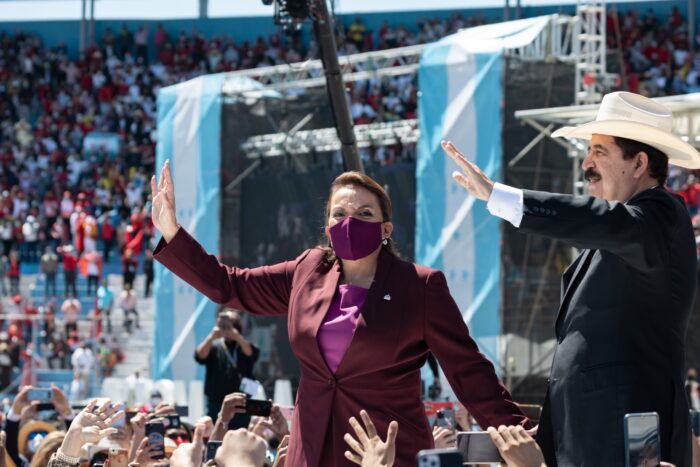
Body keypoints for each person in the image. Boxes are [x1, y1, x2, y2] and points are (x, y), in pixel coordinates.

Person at [152, 163, 529, 466]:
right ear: (328, 226)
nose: (350, 221)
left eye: (364, 213)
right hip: (310, 452)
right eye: (340, 213)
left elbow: (470, 373)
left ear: (385, 229)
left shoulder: (420, 286)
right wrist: (172, 231)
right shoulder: (308, 270)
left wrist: (526, 437)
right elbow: (227, 285)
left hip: (384, 454)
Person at [442, 91, 699, 467]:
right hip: (589, 437)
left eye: (600, 151)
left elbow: (604, 221)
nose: (586, 163)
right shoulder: (616, 235)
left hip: (627, 438)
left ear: (639, 162)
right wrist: (553, 428)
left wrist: (505, 198)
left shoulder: (661, 214)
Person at [195, 309, 259, 429]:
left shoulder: (243, 345)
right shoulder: (214, 346)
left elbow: (251, 354)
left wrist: (237, 336)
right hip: (216, 404)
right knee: (216, 437)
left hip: (241, 405)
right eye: (223, 324)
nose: (226, 327)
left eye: (230, 323)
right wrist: (212, 336)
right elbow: (199, 356)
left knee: (240, 438)